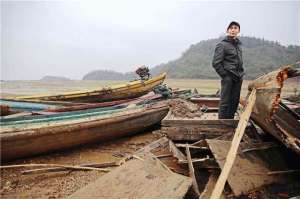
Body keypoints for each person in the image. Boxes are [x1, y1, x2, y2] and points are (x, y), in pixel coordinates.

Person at [212, 21, 245, 119]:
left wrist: (241, 74)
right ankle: (221, 123)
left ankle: (230, 122)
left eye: (235, 28)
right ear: (227, 30)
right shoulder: (222, 45)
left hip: (238, 77)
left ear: (238, 31)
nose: (233, 30)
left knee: (234, 101)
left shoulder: (239, 45)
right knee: (225, 101)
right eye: (231, 28)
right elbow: (216, 63)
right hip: (228, 77)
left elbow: (239, 61)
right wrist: (225, 76)